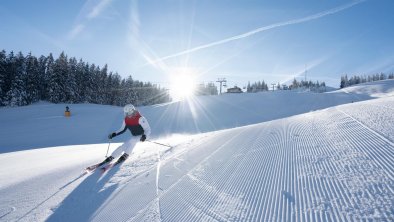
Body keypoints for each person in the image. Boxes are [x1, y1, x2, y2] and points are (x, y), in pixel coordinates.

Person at [87, 104, 151, 170]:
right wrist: (114, 134)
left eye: (128, 113)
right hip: (135, 136)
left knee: (132, 141)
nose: (127, 114)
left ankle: (126, 154)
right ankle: (112, 156)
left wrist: (145, 136)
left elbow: (148, 129)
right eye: (126, 113)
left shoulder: (140, 118)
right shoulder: (126, 120)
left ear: (132, 111)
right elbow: (122, 129)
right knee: (124, 145)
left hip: (143, 136)